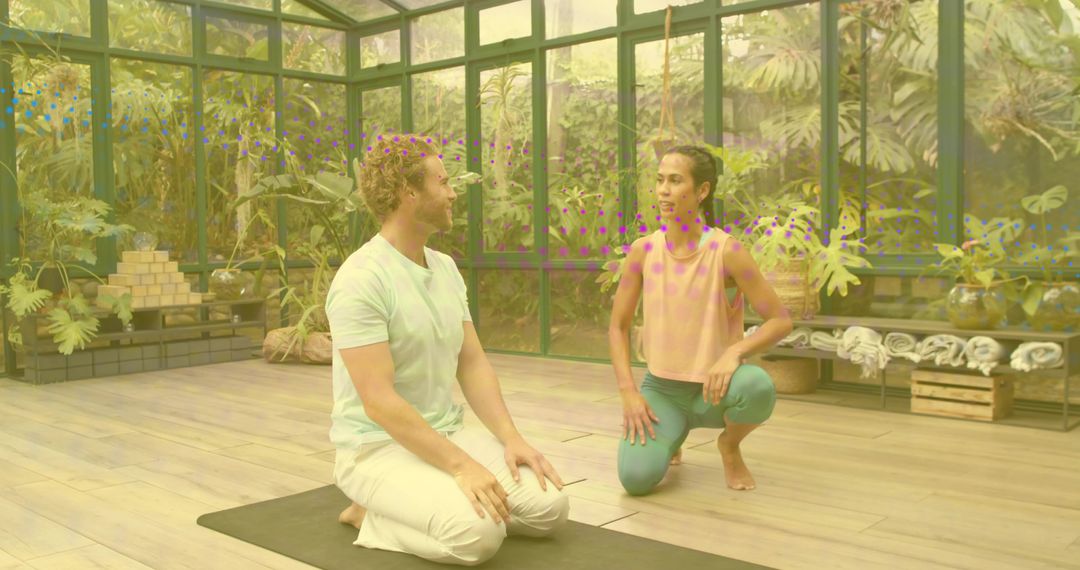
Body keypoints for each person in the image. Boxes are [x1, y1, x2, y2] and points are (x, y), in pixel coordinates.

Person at [327, 135, 569, 566]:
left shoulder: (444, 268)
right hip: (376, 448)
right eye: (442, 181)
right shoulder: (361, 280)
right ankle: (367, 513)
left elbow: (471, 362)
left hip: (444, 431)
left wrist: (511, 439)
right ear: (409, 193)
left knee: (550, 509)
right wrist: (461, 465)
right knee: (476, 537)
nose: (453, 192)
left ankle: (423, 503)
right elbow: (378, 401)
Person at [608, 145, 792, 496]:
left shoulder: (727, 251)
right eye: (660, 180)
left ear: (702, 191)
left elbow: (780, 321)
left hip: (716, 390)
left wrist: (734, 352)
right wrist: (629, 392)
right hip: (663, 390)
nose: (663, 190)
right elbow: (617, 326)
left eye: (675, 181)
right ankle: (672, 434)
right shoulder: (643, 251)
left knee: (757, 387)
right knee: (635, 479)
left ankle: (730, 446)